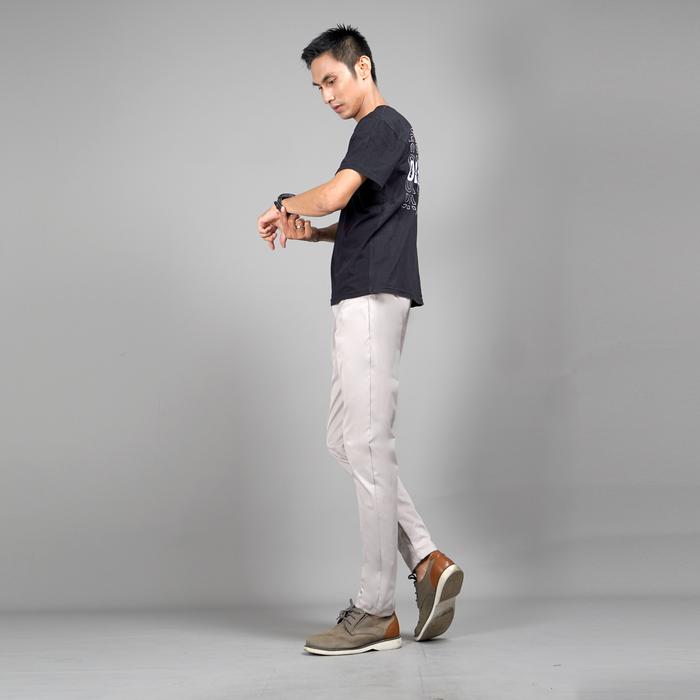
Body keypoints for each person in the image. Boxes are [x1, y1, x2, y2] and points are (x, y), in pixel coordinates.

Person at [256, 23, 463, 656]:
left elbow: (335, 195)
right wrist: (310, 232)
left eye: (331, 80)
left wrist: (285, 202)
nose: (326, 95)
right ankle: (426, 557)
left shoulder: (381, 125)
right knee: (345, 441)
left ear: (363, 68)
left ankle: (376, 611)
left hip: (372, 298)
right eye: (317, 87)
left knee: (368, 445)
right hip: (363, 292)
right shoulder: (382, 135)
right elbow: (362, 216)